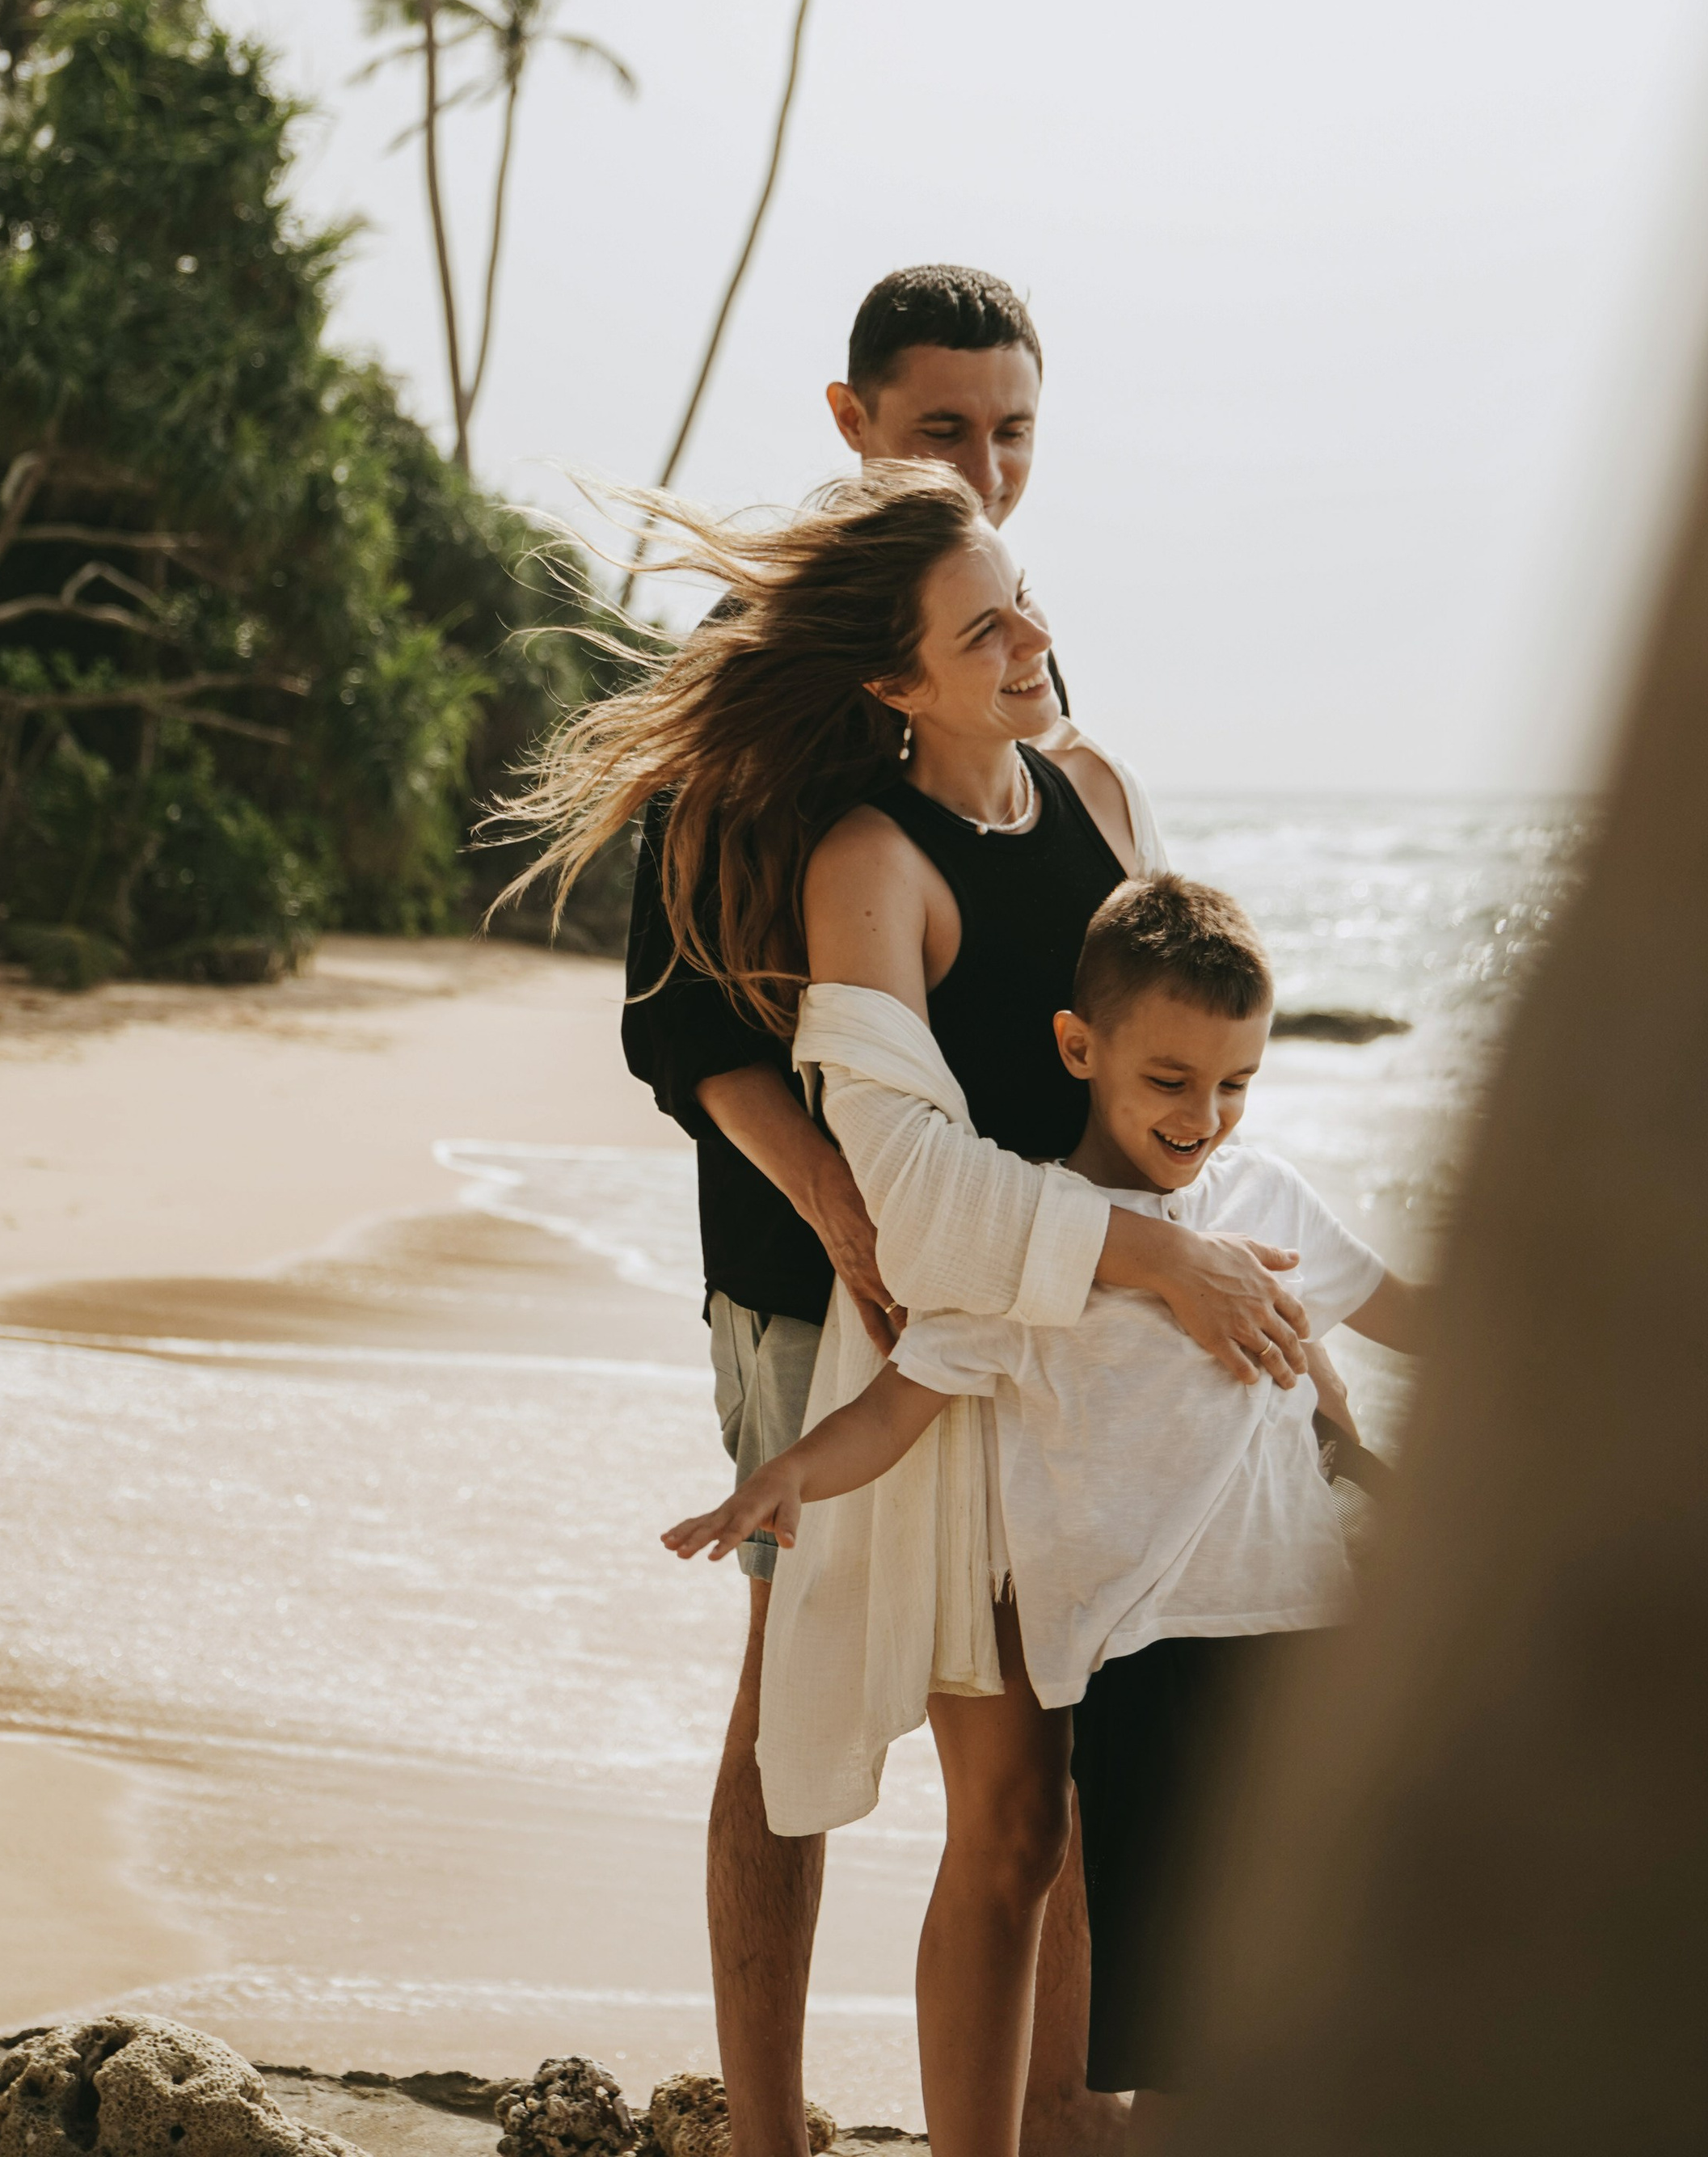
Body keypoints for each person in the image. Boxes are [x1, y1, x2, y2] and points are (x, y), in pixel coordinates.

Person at [509, 449, 1318, 2157]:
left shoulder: (1092, 786)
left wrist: (1236, 1262)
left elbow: (1174, 1069)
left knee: (1141, 1816)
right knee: (1014, 1826)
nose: (1031, 637)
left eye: (1020, 598)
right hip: (964, 1394)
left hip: (1125, 1390)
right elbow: (918, 1203)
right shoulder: (868, 864)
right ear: (892, 679)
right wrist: (1159, 1256)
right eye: (982, 629)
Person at [663, 873, 1431, 2149]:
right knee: (1177, 1999)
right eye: (1172, 1080)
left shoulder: (1266, 1204)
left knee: (1298, 1967)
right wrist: (789, 1477)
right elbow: (899, 1409)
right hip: (1135, 1662)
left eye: (1236, 1084)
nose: (1206, 1117)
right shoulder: (1036, 1246)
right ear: (1082, 1048)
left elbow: (1403, 1315)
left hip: (1306, 1634)